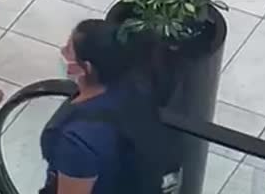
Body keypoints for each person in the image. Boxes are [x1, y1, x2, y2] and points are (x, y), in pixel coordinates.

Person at [40, 19, 173, 194]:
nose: (62, 52)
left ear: (86, 67)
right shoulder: (136, 84)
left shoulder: (77, 141)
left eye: (69, 50)